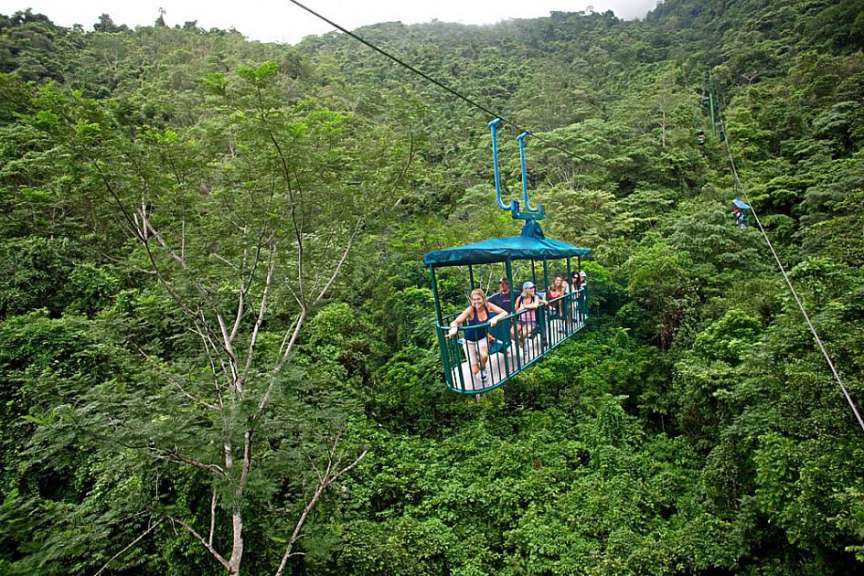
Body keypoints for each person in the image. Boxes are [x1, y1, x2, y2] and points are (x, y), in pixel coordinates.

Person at [447, 288, 508, 384]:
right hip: (469, 341)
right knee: (475, 371)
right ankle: (477, 366)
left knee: (484, 356)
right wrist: (454, 328)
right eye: (474, 299)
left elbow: (504, 312)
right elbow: (455, 322)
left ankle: (483, 368)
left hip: (482, 338)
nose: (476, 302)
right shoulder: (470, 310)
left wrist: (495, 318)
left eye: (478, 299)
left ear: (483, 299)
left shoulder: (488, 306)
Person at [514, 281, 546, 349]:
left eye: (533, 288)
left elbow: (535, 305)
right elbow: (515, 310)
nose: (533, 289)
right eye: (530, 288)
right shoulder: (520, 298)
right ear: (525, 289)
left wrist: (524, 307)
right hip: (520, 320)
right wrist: (518, 310)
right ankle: (522, 342)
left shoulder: (535, 297)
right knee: (512, 332)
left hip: (531, 321)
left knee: (523, 333)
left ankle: (522, 341)